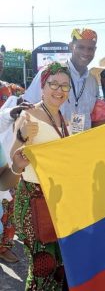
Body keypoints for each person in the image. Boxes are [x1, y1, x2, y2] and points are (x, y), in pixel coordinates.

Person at [11, 62, 71, 290]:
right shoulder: (29, 116)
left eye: (65, 86)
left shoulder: (62, 119)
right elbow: (14, 160)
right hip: (35, 201)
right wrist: (22, 139)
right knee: (41, 270)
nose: (59, 90)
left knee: (58, 269)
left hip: (56, 201)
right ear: (43, 87)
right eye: (53, 84)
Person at [23, 28, 99, 133]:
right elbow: (27, 106)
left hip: (82, 143)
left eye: (90, 49)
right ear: (71, 46)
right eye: (81, 47)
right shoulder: (50, 72)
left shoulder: (93, 82)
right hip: (53, 141)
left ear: (95, 50)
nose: (86, 53)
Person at [0, 52, 32, 263]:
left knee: (8, 203)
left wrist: (18, 108)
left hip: (7, 155)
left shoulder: (10, 89)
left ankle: (3, 247)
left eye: (0, 62)